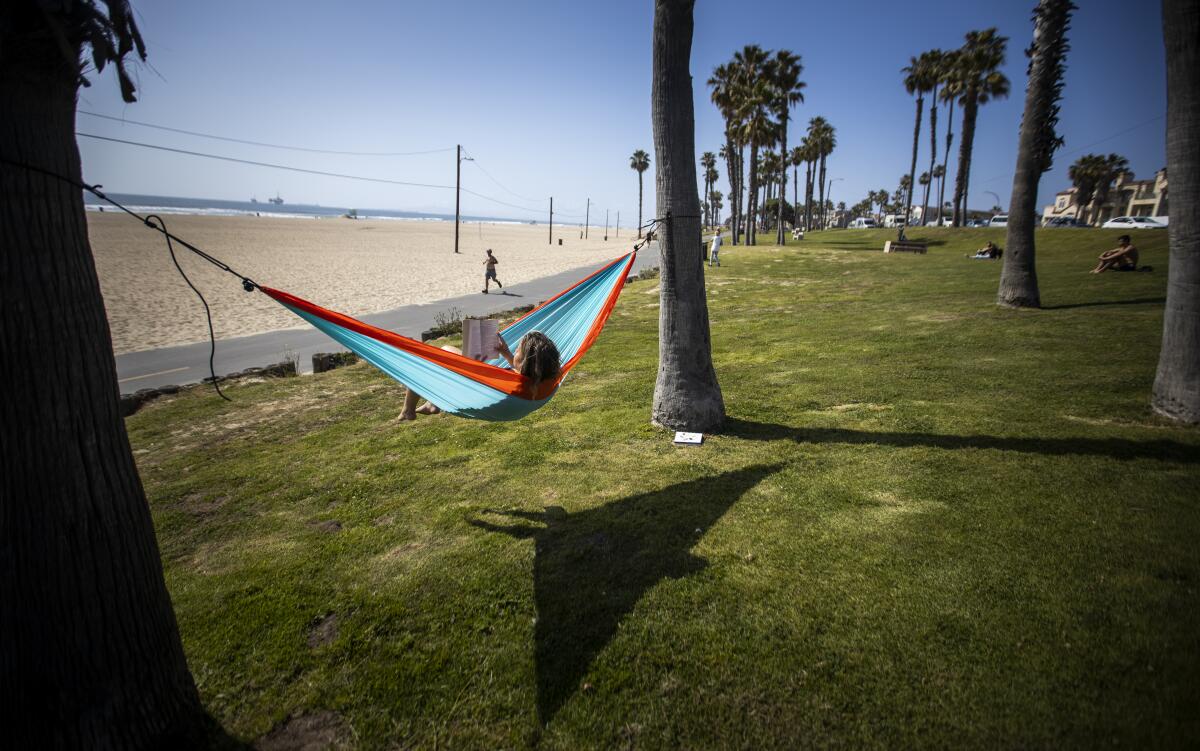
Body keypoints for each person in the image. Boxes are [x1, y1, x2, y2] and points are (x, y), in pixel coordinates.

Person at [399, 331, 561, 420]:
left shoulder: (509, 383)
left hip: (471, 393)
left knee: (433, 356)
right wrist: (506, 353)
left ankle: (408, 409)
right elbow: (525, 370)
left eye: (518, 350)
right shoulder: (548, 378)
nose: (515, 352)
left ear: (525, 361)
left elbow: (477, 376)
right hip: (501, 403)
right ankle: (432, 403)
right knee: (443, 358)